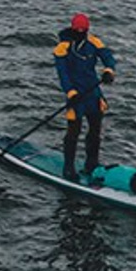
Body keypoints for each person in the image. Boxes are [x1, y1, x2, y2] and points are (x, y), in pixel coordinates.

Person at [52, 11, 118, 183]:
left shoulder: (94, 42)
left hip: (93, 93)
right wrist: (70, 92)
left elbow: (108, 57)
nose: (81, 33)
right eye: (78, 30)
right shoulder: (63, 48)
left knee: (95, 131)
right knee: (73, 131)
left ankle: (92, 164)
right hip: (76, 95)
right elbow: (63, 74)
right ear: (73, 29)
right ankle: (68, 167)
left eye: (84, 30)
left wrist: (109, 71)